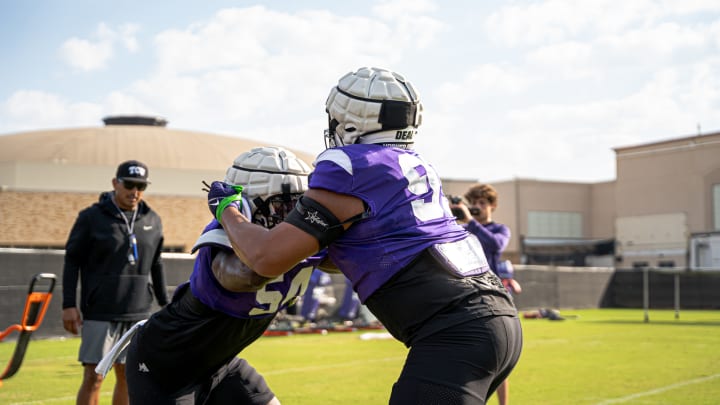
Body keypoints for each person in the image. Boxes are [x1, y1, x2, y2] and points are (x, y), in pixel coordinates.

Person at [206, 67, 523, 404]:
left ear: (353, 124)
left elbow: (265, 259)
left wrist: (226, 208)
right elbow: (352, 254)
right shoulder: (414, 165)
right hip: (495, 318)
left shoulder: (351, 167)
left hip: (455, 332)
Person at [124, 146, 327, 404]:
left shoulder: (298, 238)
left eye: (298, 203)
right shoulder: (225, 232)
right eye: (280, 204)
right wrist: (229, 212)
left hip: (221, 365)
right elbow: (250, 275)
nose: (292, 214)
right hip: (166, 366)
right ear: (249, 204)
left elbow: (344, 261)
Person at [62, 160, 169, 405]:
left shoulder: (153, 219)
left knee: (129, 376)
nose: (135, 192)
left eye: (140, 186)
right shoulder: (91, 217)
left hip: (138, 311)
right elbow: (72, 261)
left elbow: (157, 264)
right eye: (129, 184)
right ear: (115, 183)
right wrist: (68, 304)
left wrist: (165, 303)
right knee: (94, 376)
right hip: (100, 310)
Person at [450, 184, 522, 405]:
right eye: (475, 203)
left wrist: (470, 221)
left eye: (483, 203)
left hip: (493, 296)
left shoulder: (500, 230)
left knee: (498, 358)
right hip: (465, 295)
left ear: (492, 206)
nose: (478, 207)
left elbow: (494, 245)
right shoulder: (461, 229)